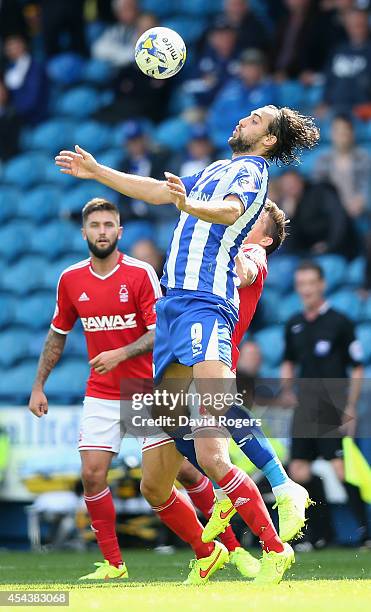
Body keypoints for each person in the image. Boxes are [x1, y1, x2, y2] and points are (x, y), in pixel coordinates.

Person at [55, 103, 320, 584]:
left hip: (206, 303)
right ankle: (217, 542)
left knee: (213, 443)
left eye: (256, 120)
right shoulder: (216, 168)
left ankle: (277, 543)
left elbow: (229, 212)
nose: (242, 119)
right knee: (156, 476)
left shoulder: (254, 173)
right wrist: (97, 172)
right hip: (172, 309)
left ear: (268, 142)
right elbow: (161, 192)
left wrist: (191, 206)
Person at [173, 202, 310, 577]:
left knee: (223, 415)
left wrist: (220, 238)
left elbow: (245, 271)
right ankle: (226, 494)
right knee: (180, 429)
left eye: (254, 220)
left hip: (216, 346)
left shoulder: (251, 252)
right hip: (198, 344)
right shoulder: (240, 247)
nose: (244, 221)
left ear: (265, 237)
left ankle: (282, 486)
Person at [28, 198, 162, 580]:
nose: (102, 231)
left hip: (145, 388)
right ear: (84, 231)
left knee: (180, 472)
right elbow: (57, 335)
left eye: (108, 225)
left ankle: (222, 548)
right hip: (101, 391)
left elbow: (159, 332)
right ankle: (114, 564)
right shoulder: (71, 279)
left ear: (119, 232)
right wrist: (39, 385)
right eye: (95, 225)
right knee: (91, 474)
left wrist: (121, 352)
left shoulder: (140, 274)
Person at [281, 260, 371, 548]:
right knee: (298, 471)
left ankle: (365, 530)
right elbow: (288, 361)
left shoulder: (339, 322)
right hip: (304, 407)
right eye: (301, 284)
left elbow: (356, 367)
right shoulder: (293, 323)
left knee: (340, 469)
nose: (305, 289)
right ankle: (321, 532)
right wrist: (287, 389)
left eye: (310, 283)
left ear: (321, 285)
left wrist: (350, 406)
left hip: (332, 406)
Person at [276, 169, 358, 259]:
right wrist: (288, 216)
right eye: (286, 185)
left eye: (292, 182)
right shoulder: (286, 206)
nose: (290, 187)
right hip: (305, 254)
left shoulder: (321, 192)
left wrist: (328, 245)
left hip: (338, 250)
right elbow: (290, 245)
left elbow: (338, 220)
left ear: (300, 180)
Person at [208, 50, 278, 149]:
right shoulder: (231, 87)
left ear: (262, 69)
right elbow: (214, 114)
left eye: (254, 66)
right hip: (223, 140)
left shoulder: (269, 89)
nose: (249, 70)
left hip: (250, 145)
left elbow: (259, 122)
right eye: (246, 66)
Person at [313, 114, 371, 219]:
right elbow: (319, 190)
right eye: (338, 131)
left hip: (360, 212)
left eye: (345, 130)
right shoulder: (323, 160)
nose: (342, 134)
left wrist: (361, 201)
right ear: (332, 134)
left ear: (352, 133)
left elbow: (366, 186)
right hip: (332, 214)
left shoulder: (364, 158)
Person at [322, 8, 371, 115]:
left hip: (362, 110)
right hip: (335, 107)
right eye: (353, 25)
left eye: (360, 25)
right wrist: (324, 102)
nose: (357, 29)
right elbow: (328, 79)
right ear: (347, 27)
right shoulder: (338, 50)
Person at [3, 33, 48, 125]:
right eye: (10, 47)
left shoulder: (34, 67)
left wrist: (17, 112)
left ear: (24, 46)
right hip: (16, 116)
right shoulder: (8, 70)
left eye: (16, 46)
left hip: (35, 114)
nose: (14, 49)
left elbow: (34, 96)